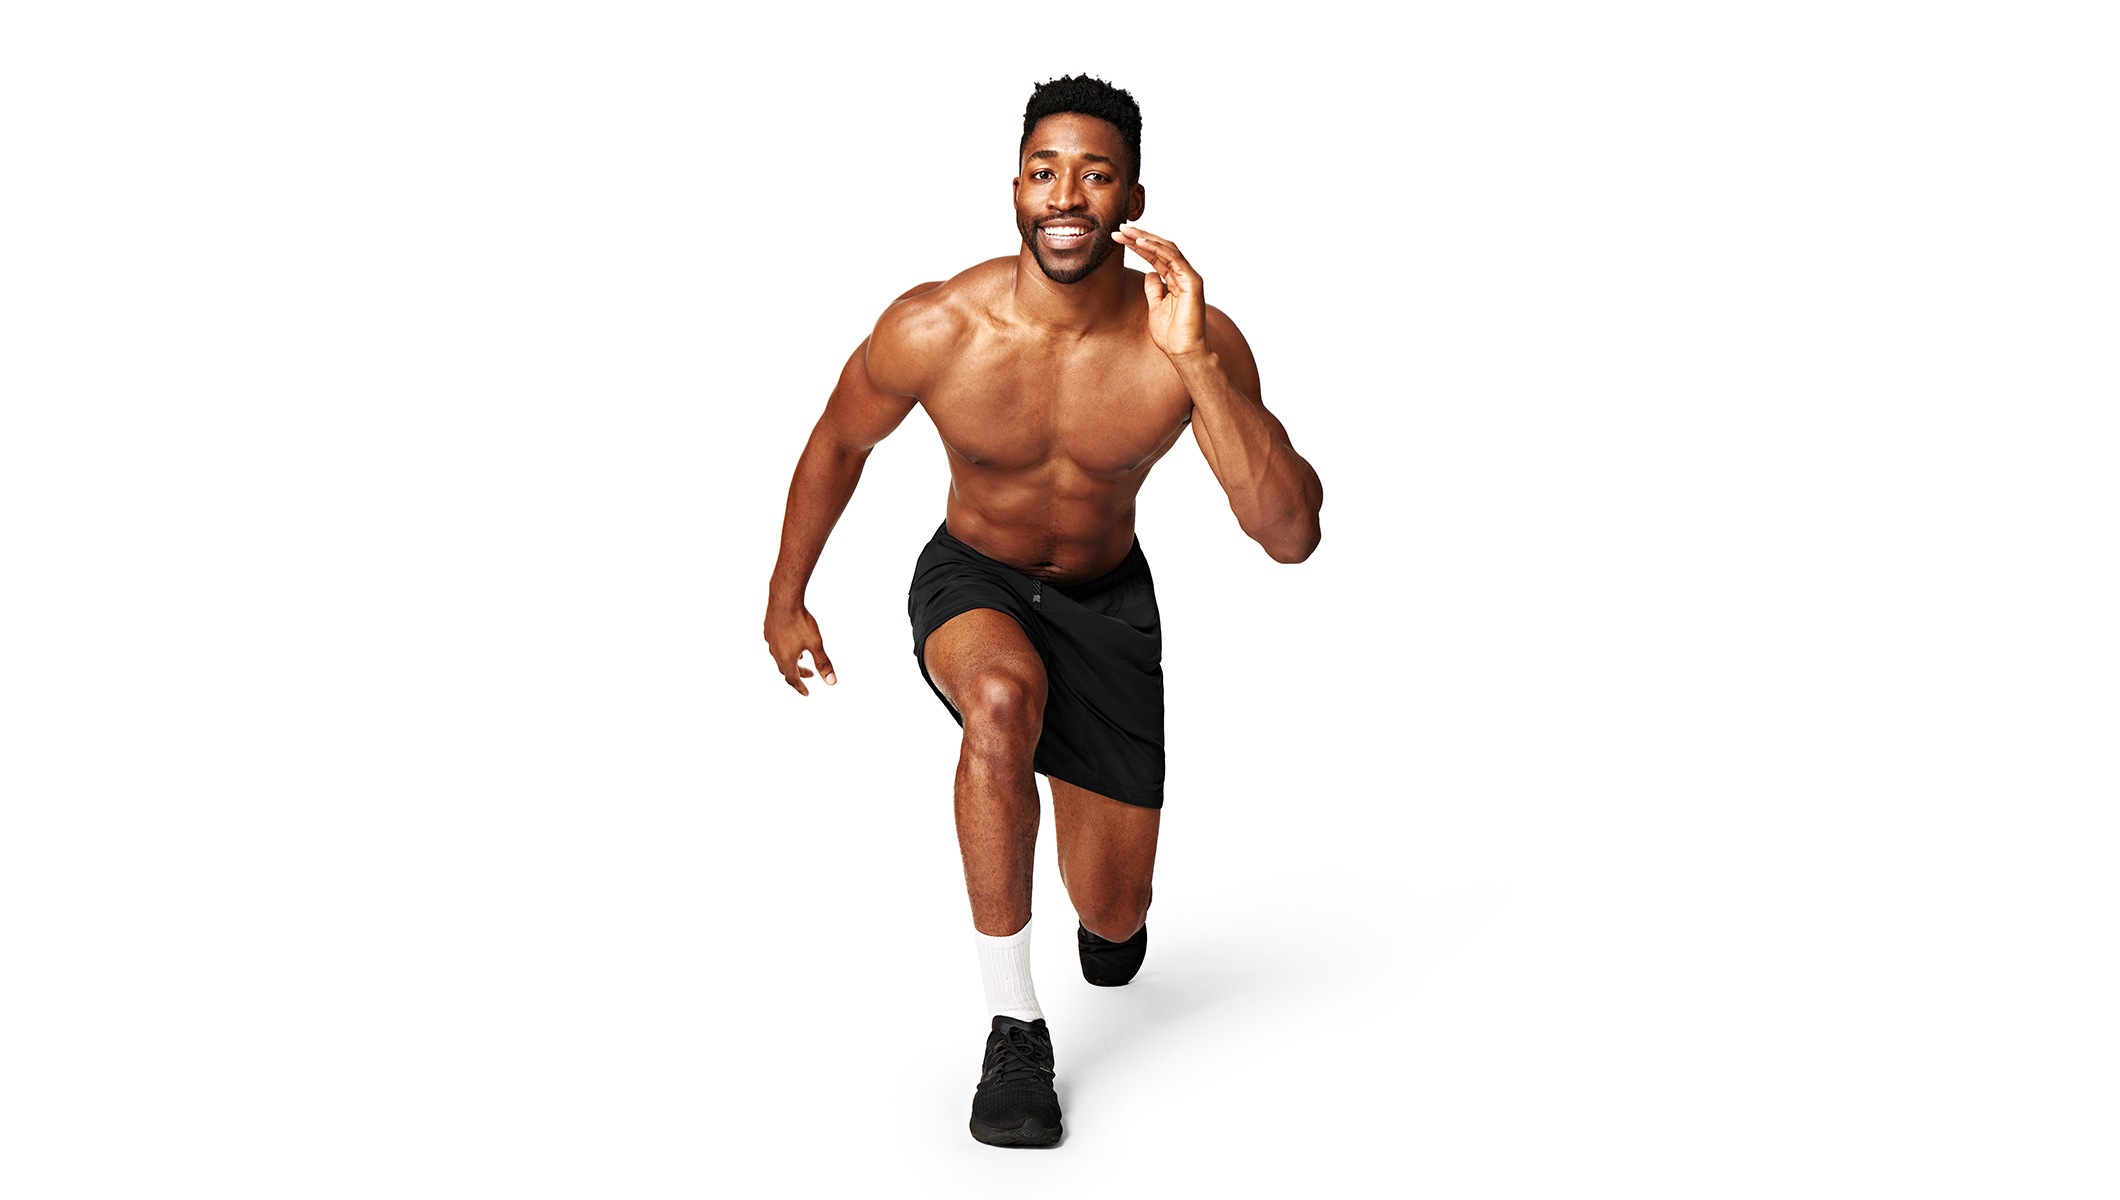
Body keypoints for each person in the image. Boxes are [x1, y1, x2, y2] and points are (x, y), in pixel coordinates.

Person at [763, 75, 1323, 1148]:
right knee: (1001, 700)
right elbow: (839, 440)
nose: (1066, 195)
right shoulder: (936, 325)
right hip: (972, 576)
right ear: (1015, 189)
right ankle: (1014, 1028)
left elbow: (1288, 533)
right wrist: (787, 594)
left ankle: (1109, 919)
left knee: (1112, 914)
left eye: (1094, 175)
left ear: (1132, 200)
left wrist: (1196, 360)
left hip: (1106, 602)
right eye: (1043, 171)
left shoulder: (1187, 340)